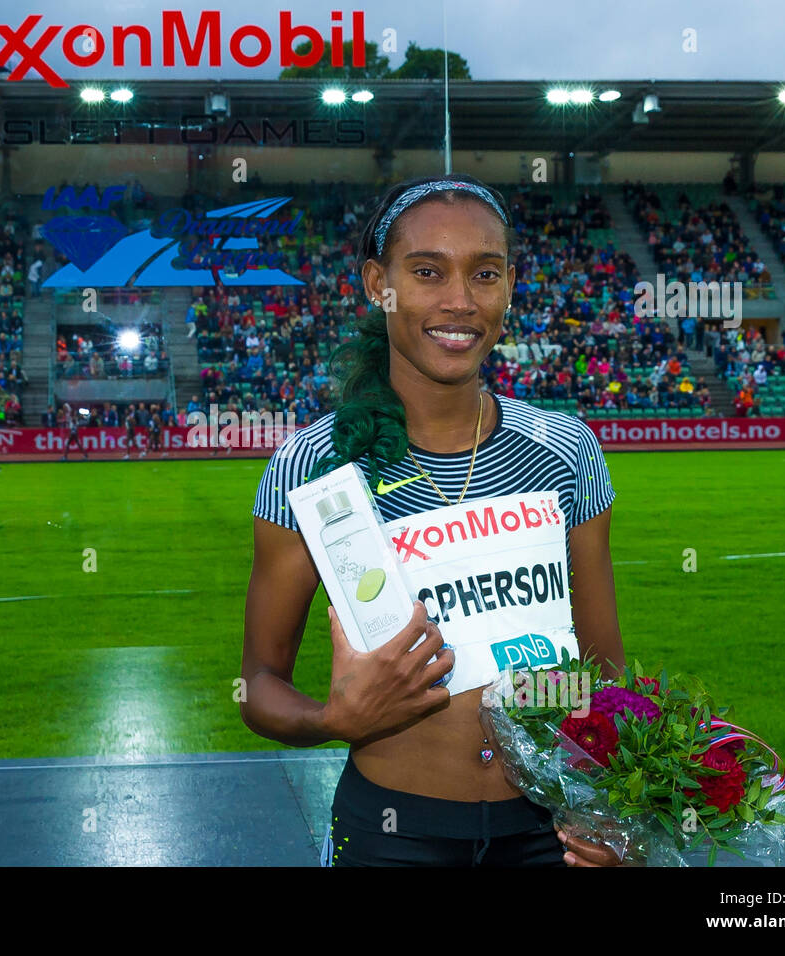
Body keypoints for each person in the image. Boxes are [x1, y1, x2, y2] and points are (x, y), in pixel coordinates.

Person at [242, 175, 625, 868]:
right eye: (426, 271)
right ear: (376, 283)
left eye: (484, 274)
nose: (459, 301)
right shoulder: (312, 466)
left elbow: (603, 672)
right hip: (394, 834)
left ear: (510, 284)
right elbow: (260, 686)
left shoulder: (567, 450)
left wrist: (613, 814)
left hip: (555, 832)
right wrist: (332, 720)